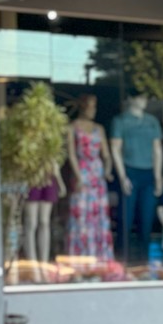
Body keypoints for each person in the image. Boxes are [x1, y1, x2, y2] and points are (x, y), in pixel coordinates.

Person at [111, 91, 163, 259]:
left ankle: (144, 261)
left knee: (147, 219)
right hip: (130, 170)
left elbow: (157, 149)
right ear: (131, 99)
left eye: (145, 97)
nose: (144, 101)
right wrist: (122, 176)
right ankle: (122, 260)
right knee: (126, 218)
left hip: (148, 173)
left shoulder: (152, 121)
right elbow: (115, 149)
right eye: (140, 97)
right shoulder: (121, 120)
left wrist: (158, 176)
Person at [65, 93, 114, 261]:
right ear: (83, 106)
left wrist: (107, 171)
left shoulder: (99, 128)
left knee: (98, 214)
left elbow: (106, 154)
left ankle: (100, 258)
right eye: (91, 106)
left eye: (95, 106)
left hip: (97, 172)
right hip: (82, 170)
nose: (93, 110)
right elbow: (71, 154)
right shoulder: (72, 127)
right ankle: (81, 257)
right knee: (81, 214)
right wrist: (78, 176)